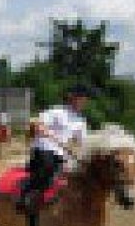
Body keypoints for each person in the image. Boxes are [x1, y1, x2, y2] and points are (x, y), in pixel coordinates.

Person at [19, 84, 91, 217]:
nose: (83, 102)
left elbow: (82, 142)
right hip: (44, 148)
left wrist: (81, 156)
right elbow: (36, 123)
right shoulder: (56, 112)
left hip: (62, 154)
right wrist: (46, 132)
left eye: (84, 99)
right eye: (80, 98)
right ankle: (27, 195)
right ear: (72, 98)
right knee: (48, 165)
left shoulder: (81, 121)